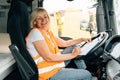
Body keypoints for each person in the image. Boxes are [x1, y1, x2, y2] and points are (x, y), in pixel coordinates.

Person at [26, 7, 92, 80]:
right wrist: (73, 55)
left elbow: (65, 44)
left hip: (54, 64)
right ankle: (85, 74)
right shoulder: (35, 33)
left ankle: (84, 69)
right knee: (87, 75)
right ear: (34, 21)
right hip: (48, 73)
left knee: (75, 46)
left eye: (45, 17)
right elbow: (49, 57)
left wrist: (82, 39)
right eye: (39, 18)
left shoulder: (47, 32)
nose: (44, 20)